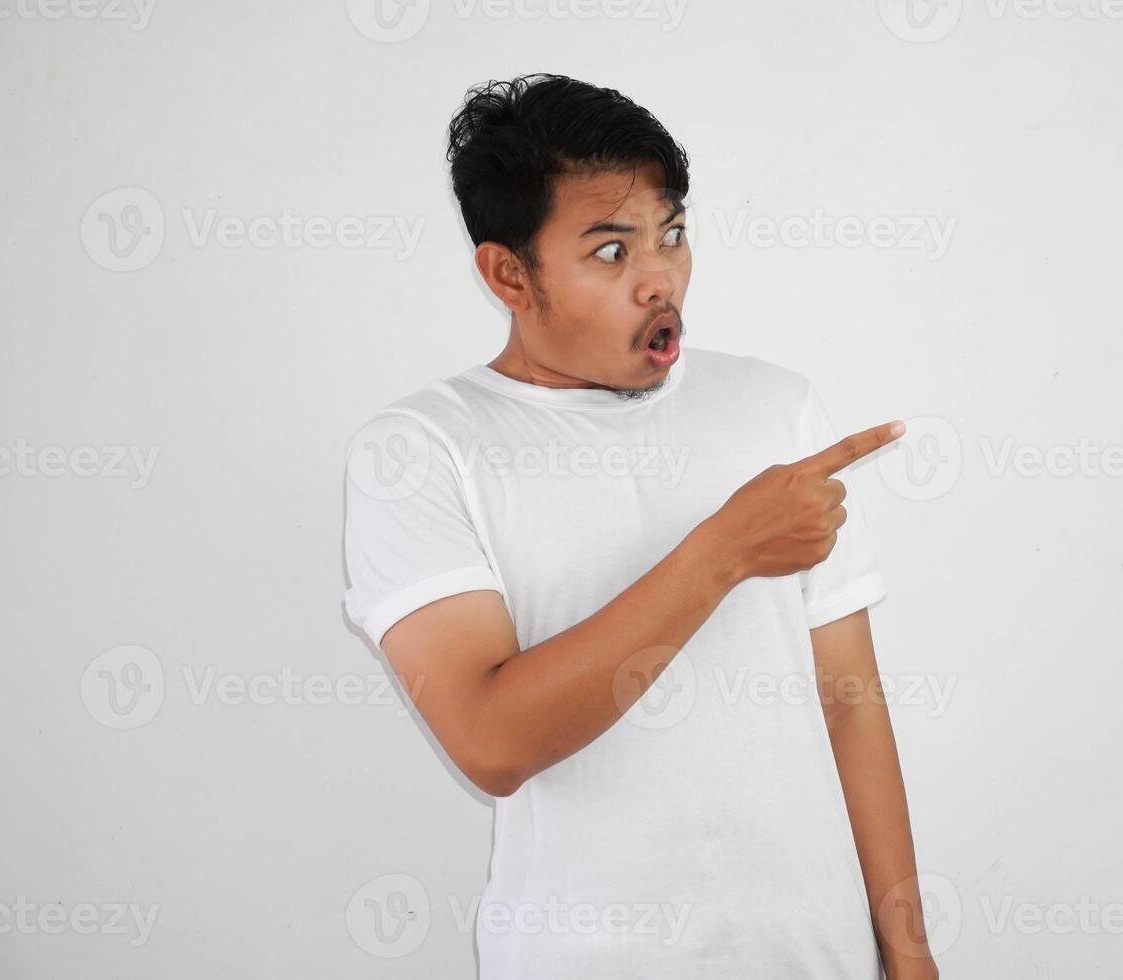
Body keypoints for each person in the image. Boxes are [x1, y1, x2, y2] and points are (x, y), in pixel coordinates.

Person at [341, 73, 937, 979]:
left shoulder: (775, 410)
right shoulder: (422, 450)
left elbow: (850, 703)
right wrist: (724, 551)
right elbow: (491, 742)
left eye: (673, 236)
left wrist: (910, 955)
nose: (660, 278)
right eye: (612, 253)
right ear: (509, 274)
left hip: (816, 960)